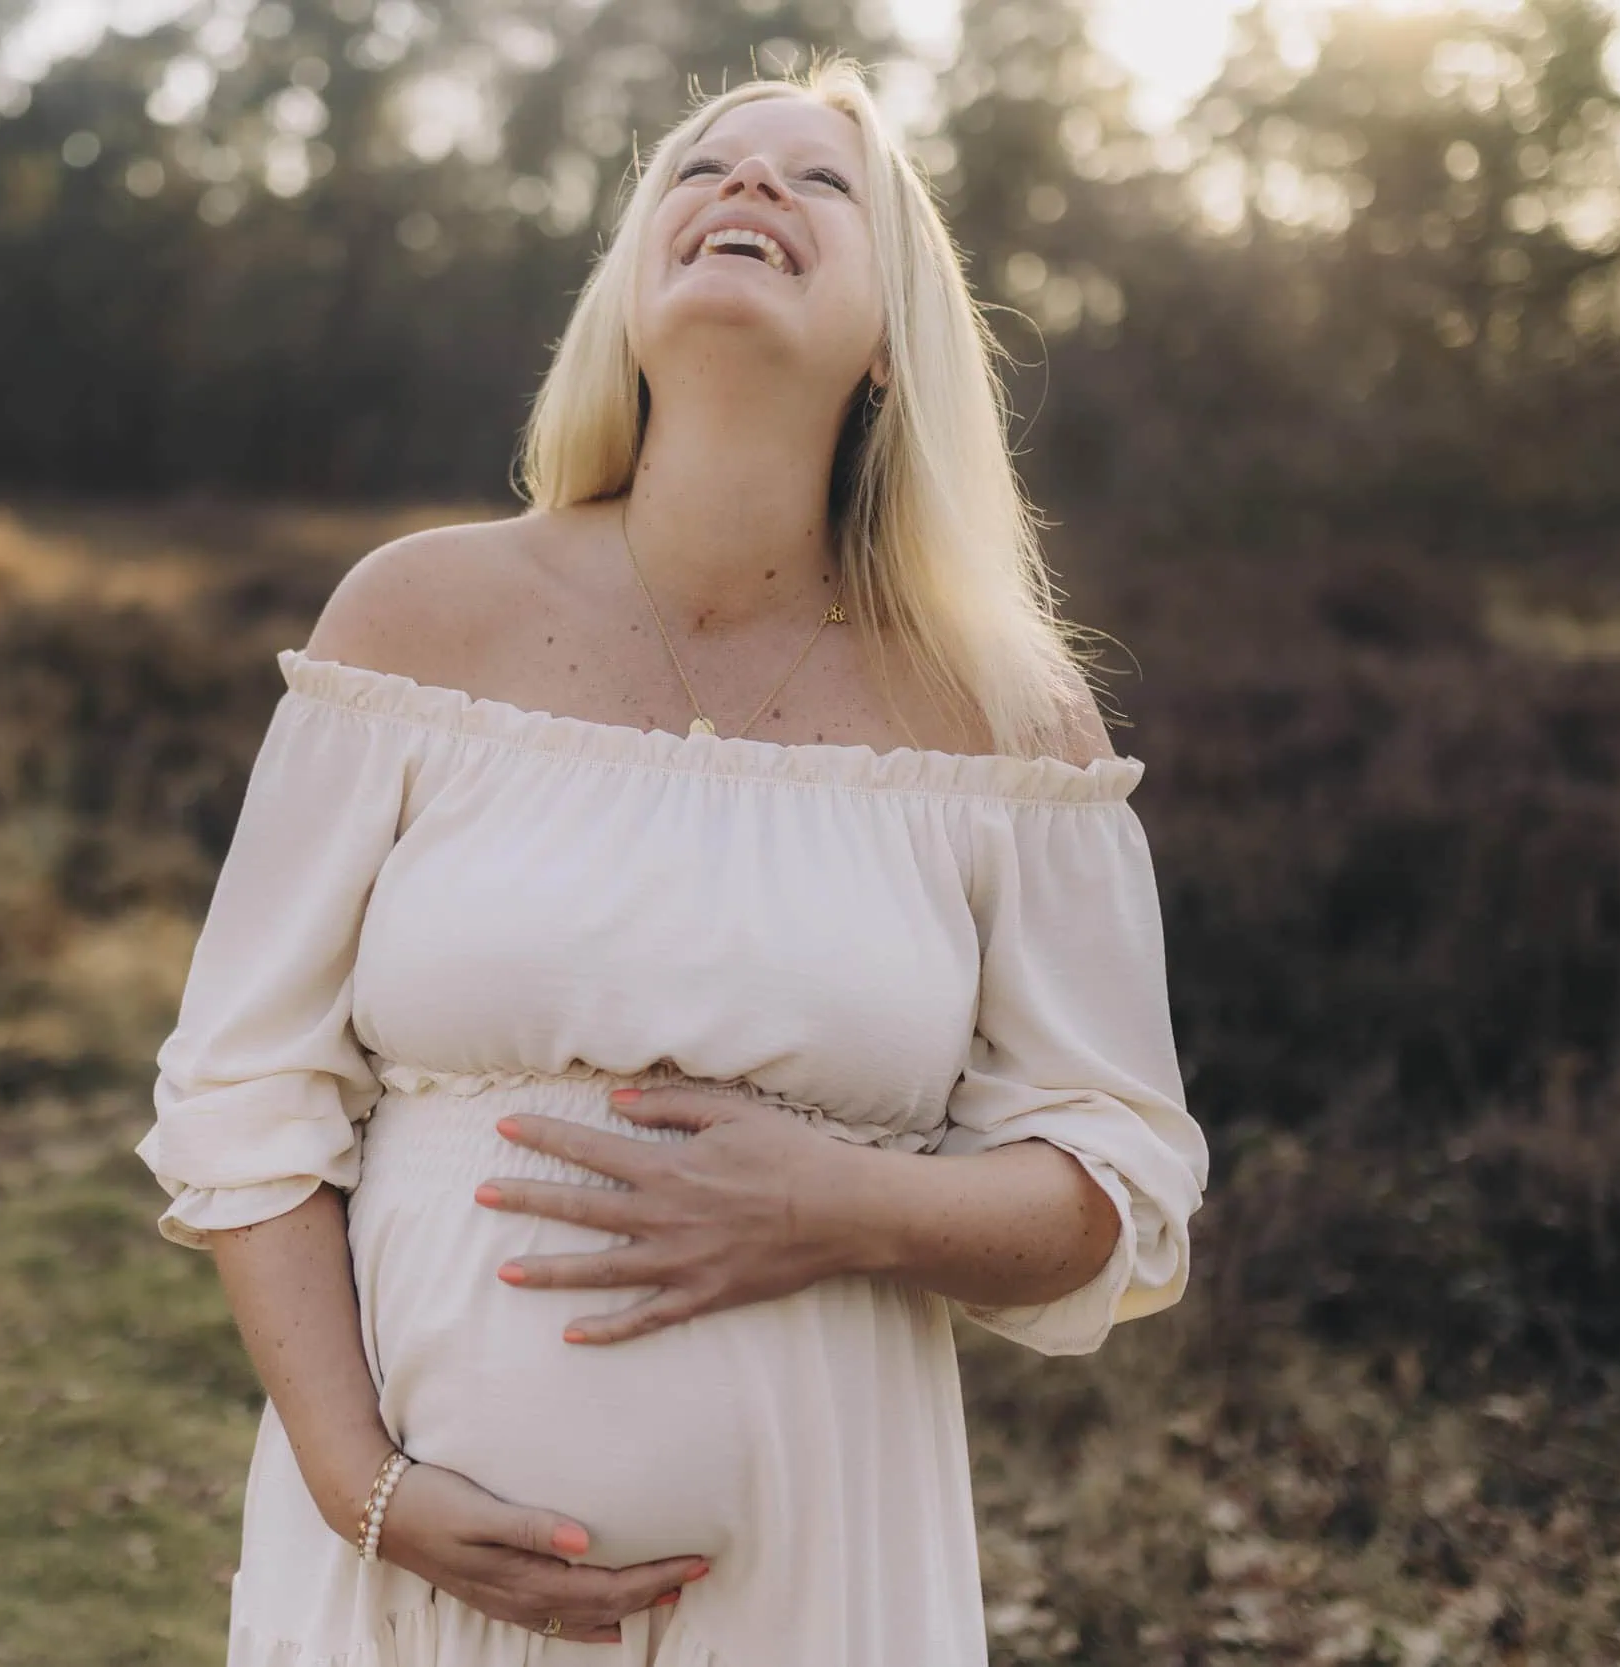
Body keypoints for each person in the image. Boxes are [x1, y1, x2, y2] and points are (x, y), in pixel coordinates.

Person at [137, 54, 1210, 1666]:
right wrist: (357, 1480)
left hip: (816, 1576)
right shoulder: (417, 619)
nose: (749, 187)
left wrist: (849, 1202)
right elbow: (241, 1088)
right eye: (701, 168)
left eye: (819, 179)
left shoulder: (1002, 720)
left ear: (891, 340)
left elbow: (1116, 1189)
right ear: (628, 293)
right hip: (401, 1566)